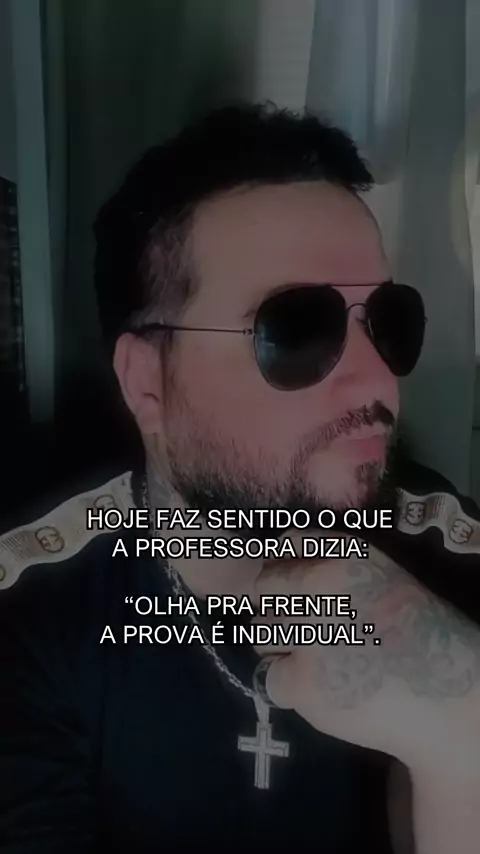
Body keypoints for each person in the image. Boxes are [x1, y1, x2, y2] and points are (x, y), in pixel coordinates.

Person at [1, 102, 480, 854]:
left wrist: (462, 733)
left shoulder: (447, 553)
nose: (377, 383)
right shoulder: (30, 606)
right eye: (296, 329)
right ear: (148, 383)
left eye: (387, 321)